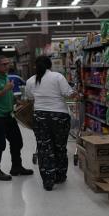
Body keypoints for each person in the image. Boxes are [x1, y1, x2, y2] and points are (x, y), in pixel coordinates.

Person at [25, 56, 77, 191]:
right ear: (50, 65)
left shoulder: (31, 80)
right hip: (59, 116)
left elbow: (30, 97)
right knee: (60, 146)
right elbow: (68, 93)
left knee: (44, 148)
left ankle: (48, 181)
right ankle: (60, 176)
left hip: (40, 116)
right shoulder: (57, 77)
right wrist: (77, 94)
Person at [0, 55, 33, 181]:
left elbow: (8, 94)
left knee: (17, 142)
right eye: (4, 64)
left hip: (8, 115)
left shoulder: (5, 76)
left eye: (8, 63)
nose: (7, 66)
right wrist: (5, 90)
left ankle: (16, 167)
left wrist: (17, 101)